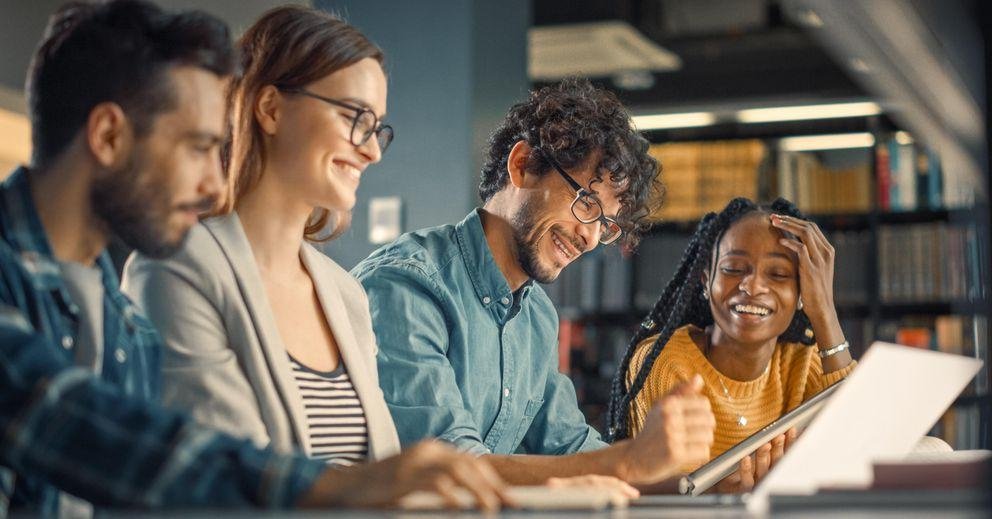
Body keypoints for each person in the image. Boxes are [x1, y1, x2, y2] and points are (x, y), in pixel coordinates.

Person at [0, 1, 509, 515]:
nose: (213, 183)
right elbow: (69, 419)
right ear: (109, 135)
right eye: (198, 147)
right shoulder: (153, 277)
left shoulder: (118, 318)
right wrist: (333, 487)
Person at [353, 78, 716, 487]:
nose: (591, 238)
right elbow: (450, 469)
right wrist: (629, 461)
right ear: (522, 165)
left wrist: (695, 485)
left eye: (605, 224)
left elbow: (568, 445)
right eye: (586, 204)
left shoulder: (537, 315)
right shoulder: (408, 286)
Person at [608, 197, 856, 492]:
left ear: (804, 290)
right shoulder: (665, 361)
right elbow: (657, 492)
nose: (752, 287)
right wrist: (725, 493)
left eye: (778, 274)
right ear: (705, 280)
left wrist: (825, 311)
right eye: (734, 269)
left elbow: (859, 449)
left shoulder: (807, 364)